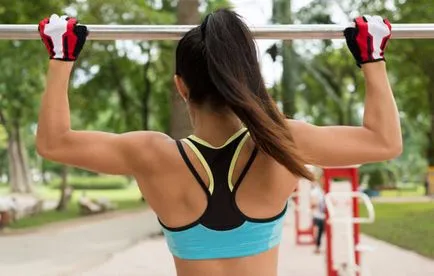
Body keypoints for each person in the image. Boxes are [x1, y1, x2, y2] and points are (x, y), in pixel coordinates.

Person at [36, 10, 402, 276]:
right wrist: (372, 56)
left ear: (181, 87)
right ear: (247, 80)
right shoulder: (281, 141)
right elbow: (384, 142)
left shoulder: (151, 155)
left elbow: (55, 143)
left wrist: (61, 56)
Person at [310, 179, 326, 254]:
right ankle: (317, 246)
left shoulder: (323, 191)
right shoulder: (315, 192)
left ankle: (319, 246)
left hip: (323, 215)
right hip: (317, 215)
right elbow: (312, 204)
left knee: (322, 232)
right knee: (318, 231)